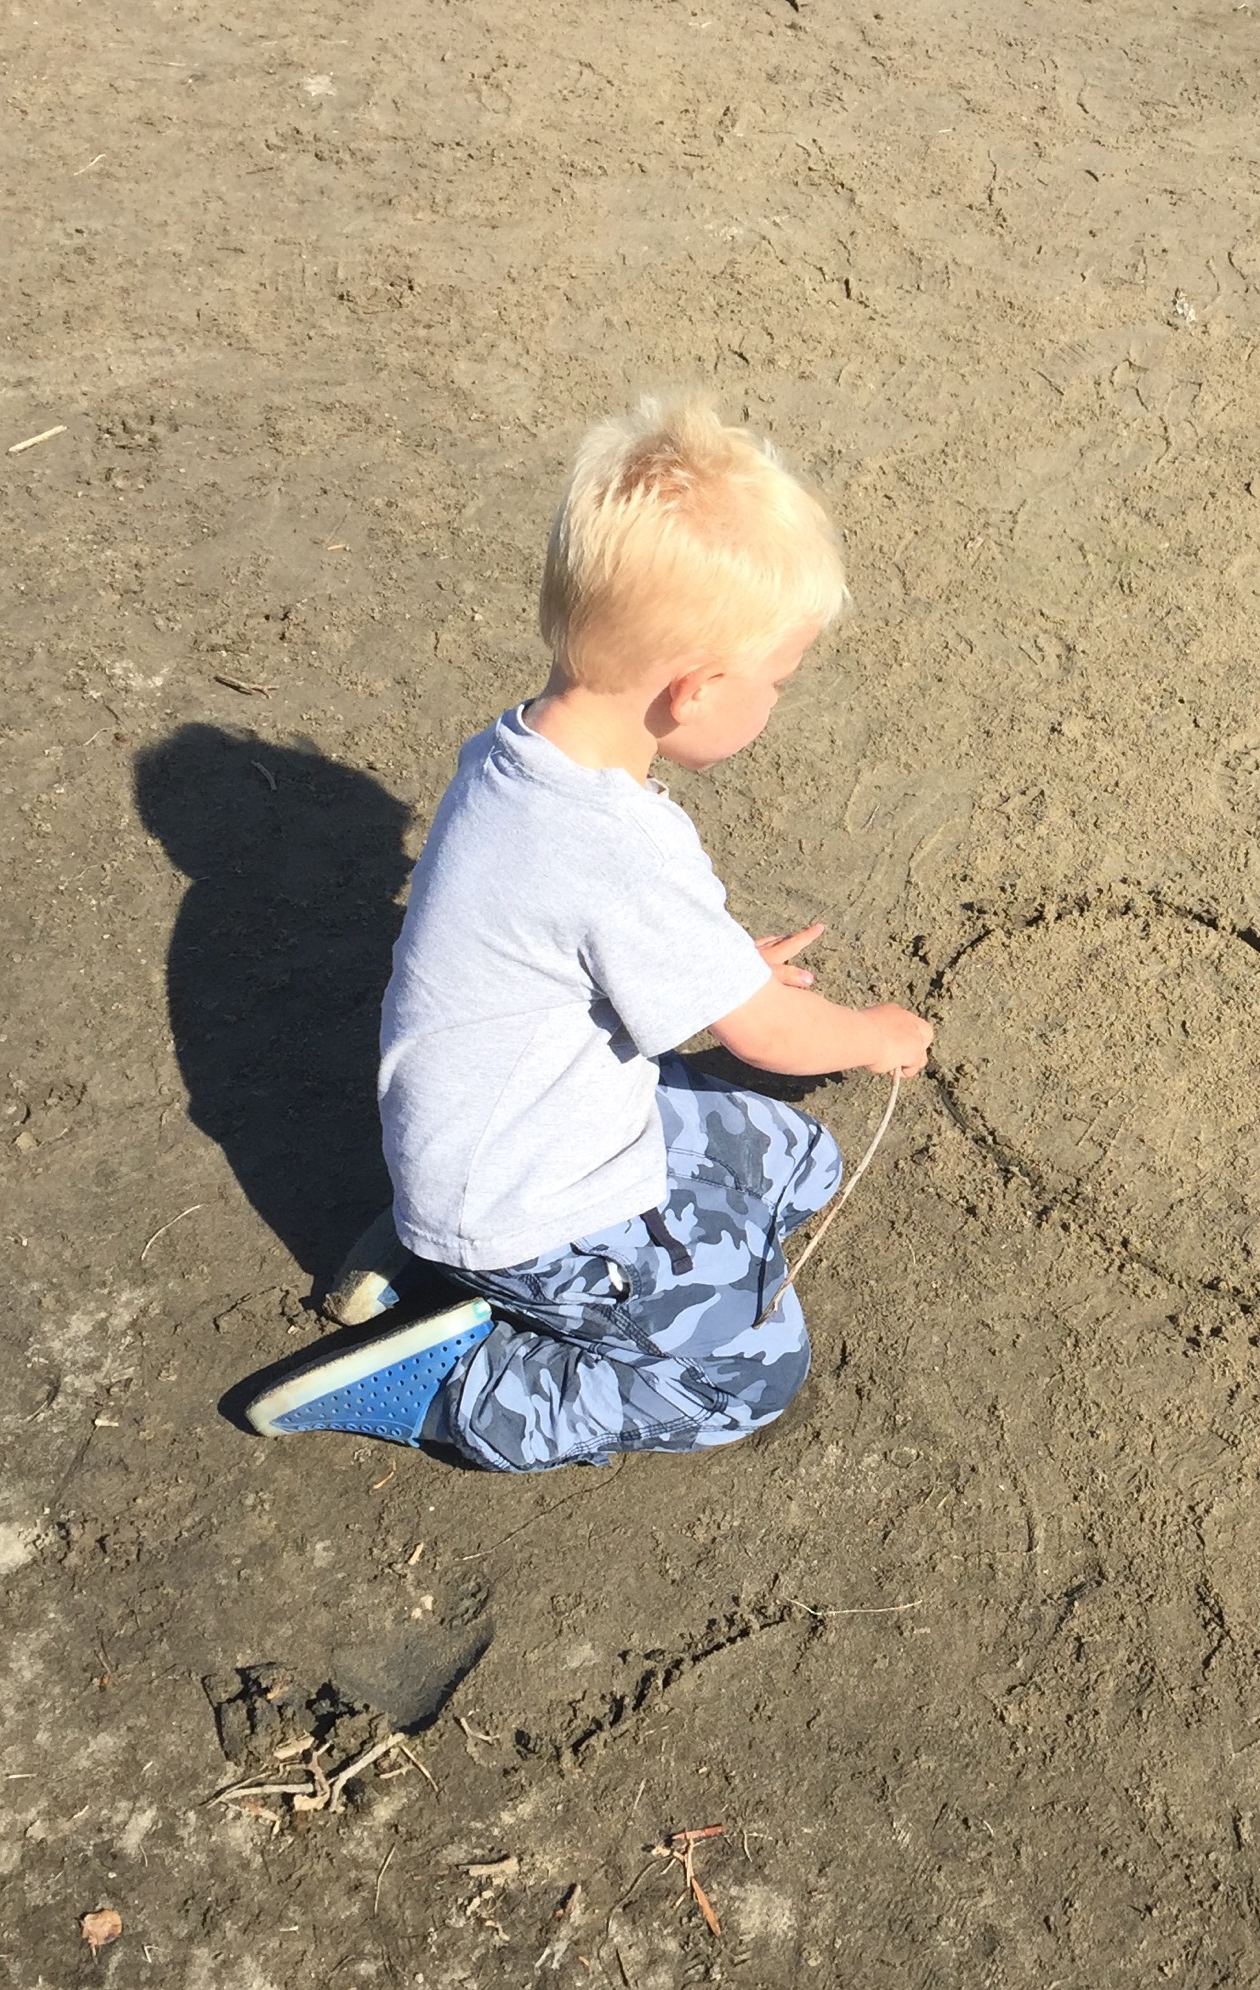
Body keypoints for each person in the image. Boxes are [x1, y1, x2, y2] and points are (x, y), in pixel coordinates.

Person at [247, 398, 932, 1466]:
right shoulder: (620, 847)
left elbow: (572, 936)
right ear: (695, 692)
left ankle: (433, 1256)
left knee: (801, 1162)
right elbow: (770, 1039)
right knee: (751, 1370)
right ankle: (456, 1385)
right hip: (531, 1201)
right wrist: (878, 1035)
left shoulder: (516, 752)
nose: (778, 700)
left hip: (504, 1132)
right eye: (777, 682)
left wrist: (716, 970)